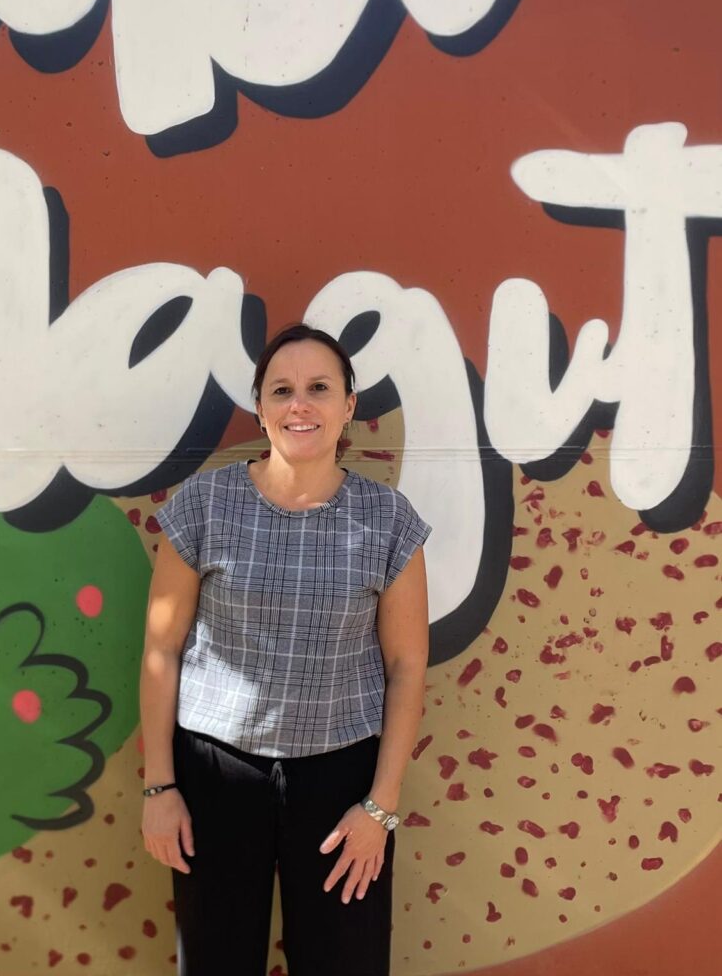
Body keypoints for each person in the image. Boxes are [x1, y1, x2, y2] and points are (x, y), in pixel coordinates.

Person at [139, 323, 431, 976]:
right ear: (260, 407)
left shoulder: (388, 519)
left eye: (319, 388)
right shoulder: (205, 505)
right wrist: (160, 786)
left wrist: (380, 808)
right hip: (215, 775)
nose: (300, 404)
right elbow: (162, 649)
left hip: (342, 784)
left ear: (348, 406)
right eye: (282, 390)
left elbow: (407, 666)